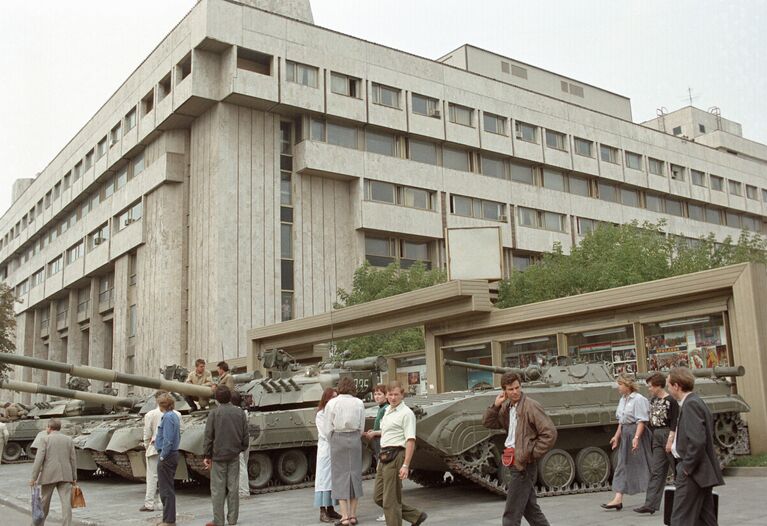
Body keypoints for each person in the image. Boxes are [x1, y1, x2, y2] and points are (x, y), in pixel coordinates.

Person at [483, 372, 557, 526]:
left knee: (511, 516)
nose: (515, 392)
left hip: (523, 464)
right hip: (513, 462)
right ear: (504, 391)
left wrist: (530, 453)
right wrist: (496, 406)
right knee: (531, 510)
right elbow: (488, 422)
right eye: (511, 389)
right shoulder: (507, 407)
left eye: (517, 387)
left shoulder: (531, 406)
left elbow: (549, 433)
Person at [668, 367, 723, 526]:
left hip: (692, 472)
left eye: (669, 385)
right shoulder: (695, 401)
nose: (668, 389)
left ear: (676, 386)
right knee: (705, 519)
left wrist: (687, 467)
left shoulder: (690, 404)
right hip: (700, 472)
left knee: (680, 519)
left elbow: (697, 440)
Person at [373, 381, 427, 526]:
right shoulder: (386, 411)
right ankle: (416, 516)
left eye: (396, 394)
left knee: (390, 500)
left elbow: (410, 440)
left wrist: (405, 465)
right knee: (379, 497)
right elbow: (387, 433)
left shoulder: (406, 413)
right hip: (384, 455)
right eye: (390, 394)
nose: (393, 397)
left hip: (396, 455)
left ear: (402, 395)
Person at [602, 374, 652, 511]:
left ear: (628, 385)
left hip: (636, 433)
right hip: (626, 433)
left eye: (620, 384)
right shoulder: (623, 400)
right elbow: (621, 421)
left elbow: (642, 420)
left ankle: (651, 500)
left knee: (643, 464)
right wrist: (616, 436)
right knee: (622, 465)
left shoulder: (638, 399)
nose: (618, 387)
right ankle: (618, 499)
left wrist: (636, 438)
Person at [320, 377, 365, 526]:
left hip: (338, 437)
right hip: (354, 437)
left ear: (339, 387)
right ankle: (353, 515)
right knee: (355, 475)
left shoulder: (332, 403)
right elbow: (361, 426)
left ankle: (344, 516)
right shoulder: (359, 403)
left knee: (339, 477)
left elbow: (327, 427)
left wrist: (333, 439)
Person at [203, 386, 249, 526]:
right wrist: (240, 448)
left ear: (217, 399)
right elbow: (245, 435)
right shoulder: (240, 413)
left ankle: (218, 520)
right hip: (234, 455)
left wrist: (207, 455)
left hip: (218, 456)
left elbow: (209, 436)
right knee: (233, 488)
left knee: (218, 490)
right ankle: (232, 519)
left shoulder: (214, 413)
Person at [634, 372, 679, 515]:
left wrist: (670, 440)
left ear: (659, 386)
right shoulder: (653, 400)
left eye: (651, 386)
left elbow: (675, 422)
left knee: (677, 469)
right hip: (657, 435)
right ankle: (650, 504)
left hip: (668, 433)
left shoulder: (671, 401)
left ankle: (683, 500)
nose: (649, 389)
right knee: (656, 471)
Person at [29, 419, 77, 526]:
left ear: (49, 428)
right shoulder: (68, 439)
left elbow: (38, 460)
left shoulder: (44, 439)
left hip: (48, 475)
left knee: (44, 503)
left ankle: (37, 525)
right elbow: (73, 459)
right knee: (66, 504)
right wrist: (74, 477)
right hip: (66, 475)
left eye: (47, 427)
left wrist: (33, 478)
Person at [140, 391, 181, 513]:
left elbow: (147, 433)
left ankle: (149, 503)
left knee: (152, 477)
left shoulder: (150, 414)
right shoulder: (177, 414)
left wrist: (148, 445)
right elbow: (180, 430)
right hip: (171, 450)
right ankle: (162, 503)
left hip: (155, 449)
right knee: (166, 480)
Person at [315, 387, 342, 523]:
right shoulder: (321, 414)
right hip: (327, 450)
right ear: (326, 399)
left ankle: (331, 508)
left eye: (336, 397)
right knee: (323, 480)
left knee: (332, 480)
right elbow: (326, 433)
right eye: (332, 397)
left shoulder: (336, 412)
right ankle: (322, 511)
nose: (335, 400)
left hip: (335, 449)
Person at [155, 393, 181, 526]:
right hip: (172, 454)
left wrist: (163, 455)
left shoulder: (168, 417)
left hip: (168, 455)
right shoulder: (174, 416)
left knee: (166, 490)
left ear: (162, 405)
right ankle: (167, 518)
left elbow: (168, 439)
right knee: (166, 488)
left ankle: (169, 520)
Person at [364, 384, 388, 523]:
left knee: (385, 483)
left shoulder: (385, 409)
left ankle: (389, 511)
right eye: (375, 394)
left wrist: (374, 433)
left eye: (380, 394)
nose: (377, 396)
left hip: (384, 447)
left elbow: (387, 429)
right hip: (380, 446)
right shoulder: (381, 409)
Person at [229, 390, 250, 498]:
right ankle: (242, 489)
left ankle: (244, 491)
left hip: (237, 442)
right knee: (243, 466)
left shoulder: (234, 412)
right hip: (244, 441)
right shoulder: (243, 412)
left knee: (240, 467)